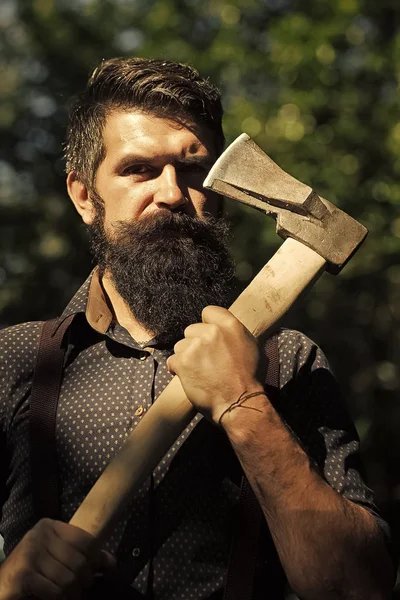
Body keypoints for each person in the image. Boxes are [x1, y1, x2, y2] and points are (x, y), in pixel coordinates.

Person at [0, 57, 395, 600]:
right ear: (84, 196)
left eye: (194, 169)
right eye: (139, 169)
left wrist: (244, 403)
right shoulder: (16, 360)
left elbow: (360, 589)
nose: (171, 193)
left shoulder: (291, 362)